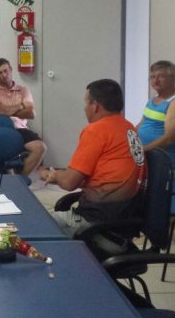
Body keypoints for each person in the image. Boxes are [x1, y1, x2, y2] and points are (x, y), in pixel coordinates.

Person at [38, 79, 146, 236]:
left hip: (96, 223)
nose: (84, 107)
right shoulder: (129, 128)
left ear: (95, 105)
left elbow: (69, 183)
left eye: (86, 102)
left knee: (33, 226)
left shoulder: (96, 130)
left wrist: (53, 175)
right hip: (122, 218)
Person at [0, 58, 47, 174]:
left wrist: (5, 110)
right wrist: (19, 106)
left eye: (6, 71)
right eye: (0, 73)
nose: (4, 75)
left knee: (41, 147)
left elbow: (31, 113)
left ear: (11, 69)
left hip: (19, 129)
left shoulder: (23, 90)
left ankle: (21, 179)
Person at [137, 60, 175, 166]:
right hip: (143, 153)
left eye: (160, 76)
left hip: (159, 158)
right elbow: (141, 125)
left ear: (173, 79)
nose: (155, 81)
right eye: (152, 77)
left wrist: (141, 152)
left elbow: (169, 139)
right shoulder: (154, 98)